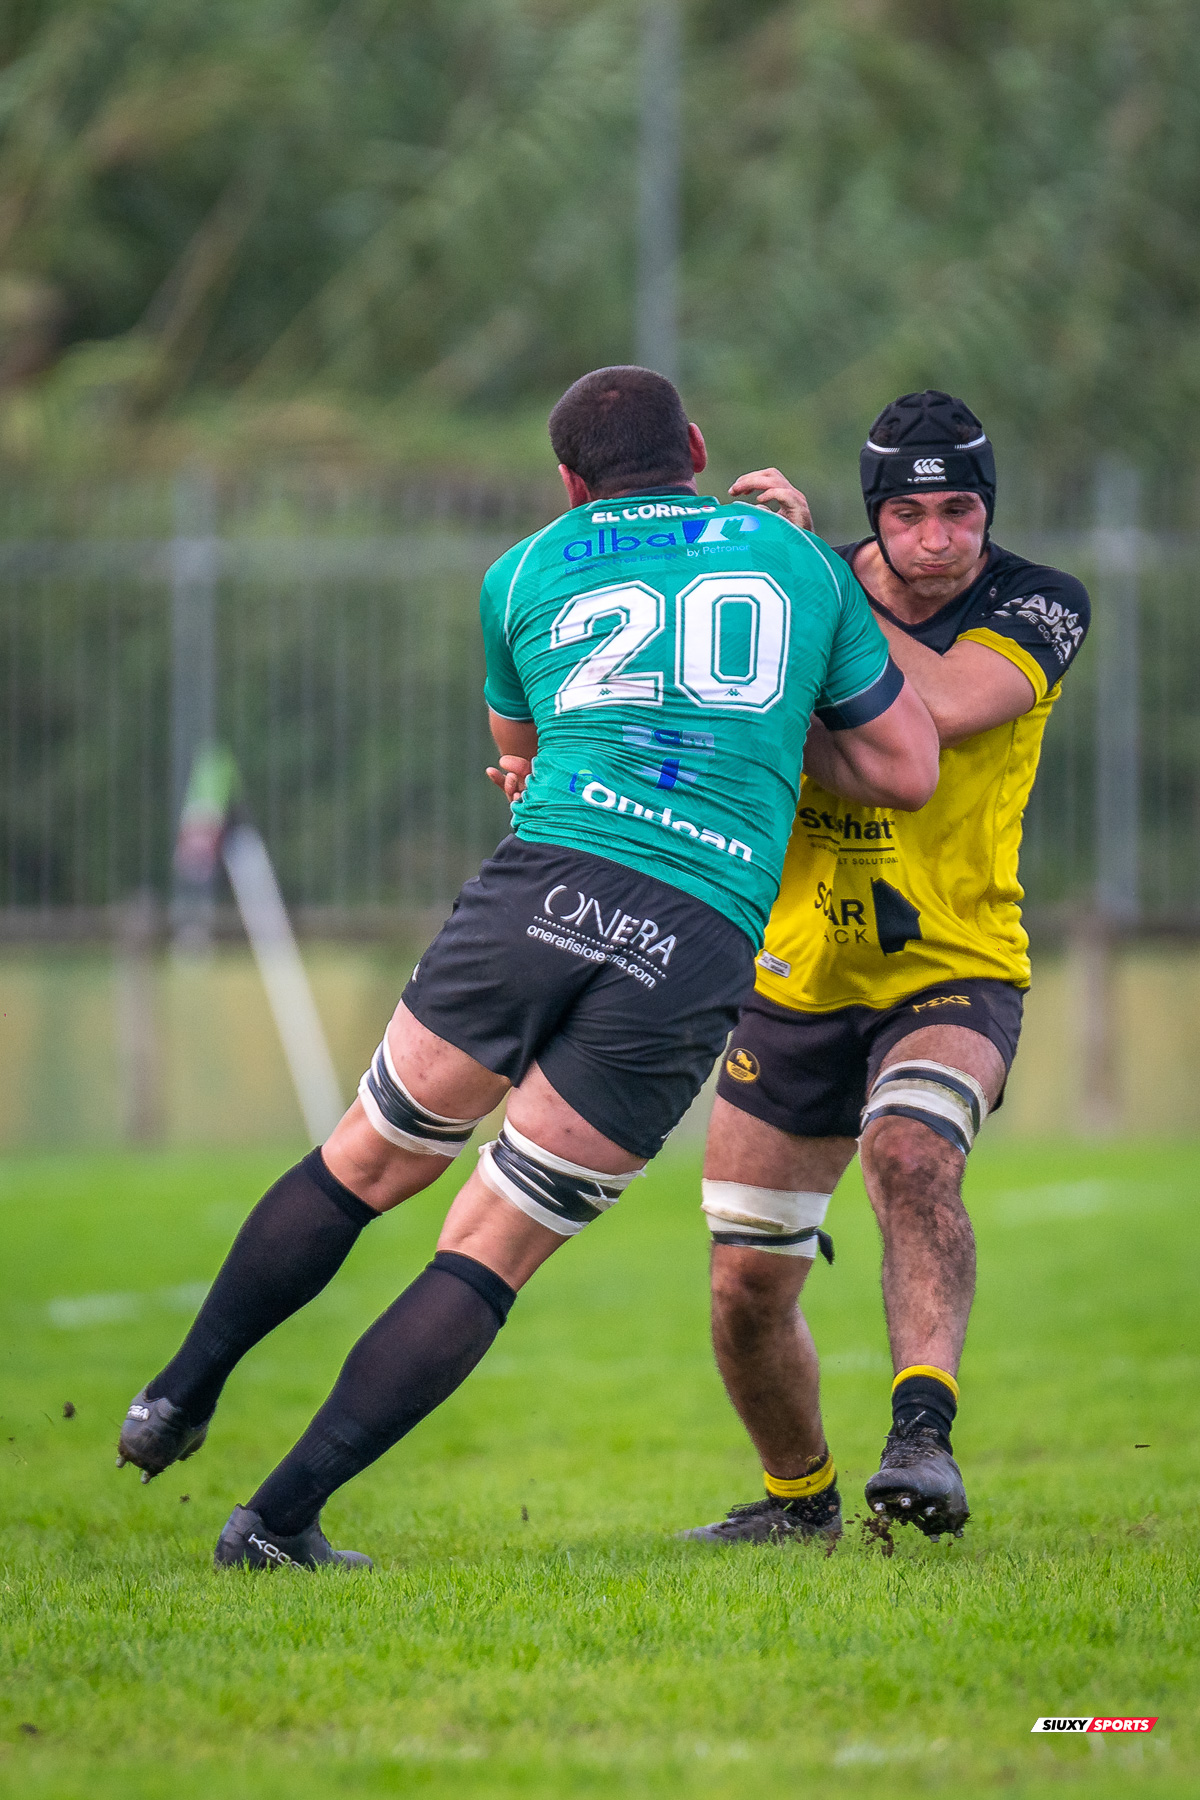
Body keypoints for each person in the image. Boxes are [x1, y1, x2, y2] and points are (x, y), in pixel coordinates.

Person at [116, 366, 939, 1569]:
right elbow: (908, 765)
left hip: (542, 884)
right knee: (493, 1239)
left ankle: (175, 1396)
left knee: (364, 1155)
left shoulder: (523, 569)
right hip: (697, 927)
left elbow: (518, 758)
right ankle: (276, 1519)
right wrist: (772, 717)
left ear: (569, 482)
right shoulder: (797, 563)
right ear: (698, 448)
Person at [682, 390, 1090, 1547]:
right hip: (798, 977)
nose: (937, 537)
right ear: (879, 515)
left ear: (987, 510)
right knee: (744, 1287)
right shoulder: (807, 589)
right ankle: (797, 1499)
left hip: (956, 968)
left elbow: (951, 702)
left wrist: (807, 569)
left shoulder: (1039, 601)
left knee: (910, 1152)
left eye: (960, 510)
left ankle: (922, 1439)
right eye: (908, 515)